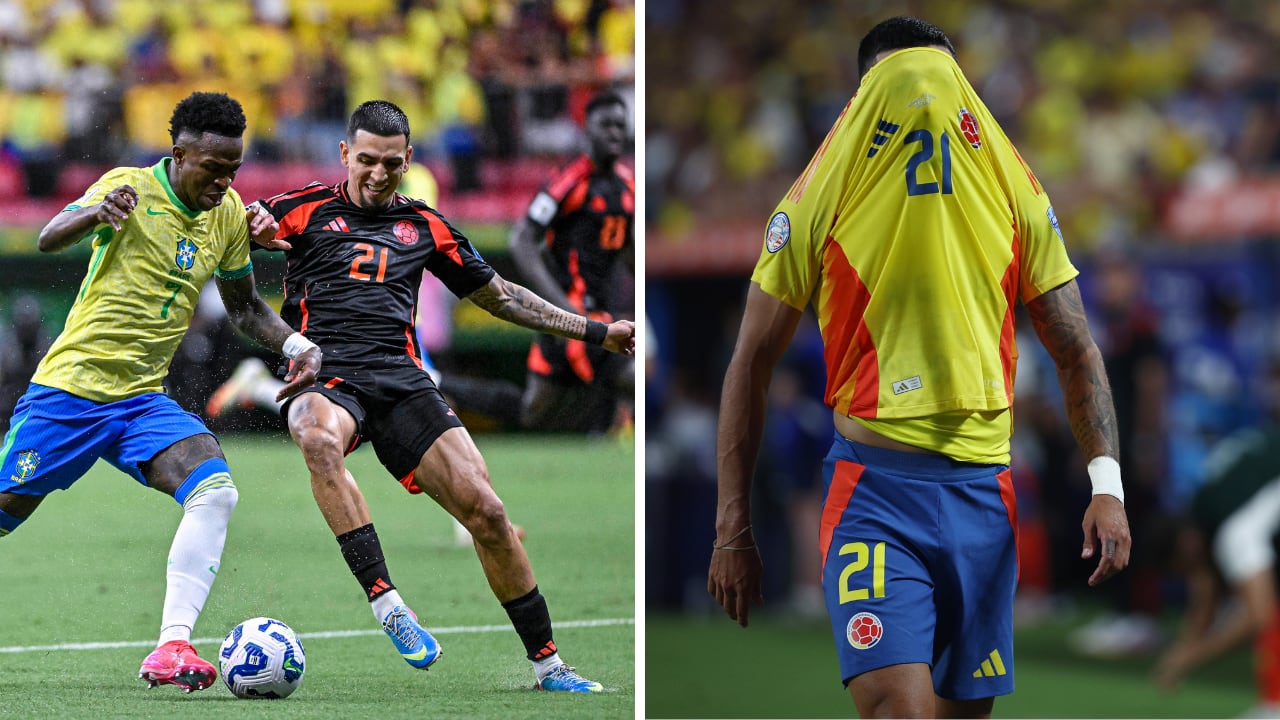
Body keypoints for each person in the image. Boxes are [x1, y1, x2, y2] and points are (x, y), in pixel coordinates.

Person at [707, 17, 1132, 718]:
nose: (924, 94)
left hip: (982, 493)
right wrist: (732, 529)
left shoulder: (1004, 190)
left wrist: (1107, 488)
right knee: (899, 710)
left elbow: (1076, 346)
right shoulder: (826, 196)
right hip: (874, 494)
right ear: (866, 91)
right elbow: (750, 362)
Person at [248, 100, 634, 692]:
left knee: (490, 512)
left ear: (409, 160)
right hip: (323, 369)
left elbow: (502, 297)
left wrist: (593, 330)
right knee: (318, 438)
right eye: (367, 161)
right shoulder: (298, 210)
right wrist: (251, 227)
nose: (378, 174)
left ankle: (549, 665)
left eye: (392, 163)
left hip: (401, 379)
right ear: (345, 154)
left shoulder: (425, 225)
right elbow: (231, 226)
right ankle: (389, 605)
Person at [0, 92, 321, 692]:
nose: (225, 182)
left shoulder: (226, 216)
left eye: (234, 169)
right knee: (4, 515)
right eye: (213, 168)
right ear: (179, 154)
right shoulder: (128, 186)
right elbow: (48, 237)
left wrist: (296, 347)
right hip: (70, 393)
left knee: (215, 490)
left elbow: (246, 308)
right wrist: (95, 213)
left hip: (141, 402)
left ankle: (172, 645)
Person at [508, 89, 635, 434]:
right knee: (533, 410)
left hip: (605, 312)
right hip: (574, 310)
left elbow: (630, 252)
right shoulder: (570, 180)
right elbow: (521, 241)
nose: (614, 132)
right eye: (605, 124)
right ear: (585, 129)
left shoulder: (627, 186)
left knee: (535, 407)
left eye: (620, 125)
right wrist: (560, 308)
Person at [1153, 412, 1280, 715]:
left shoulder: (1233, 528)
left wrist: (1192, 656)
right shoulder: (1209, 499)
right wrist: (1186, 646)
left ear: (1187, 547)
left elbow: (1258, 615)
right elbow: (1205, 586)